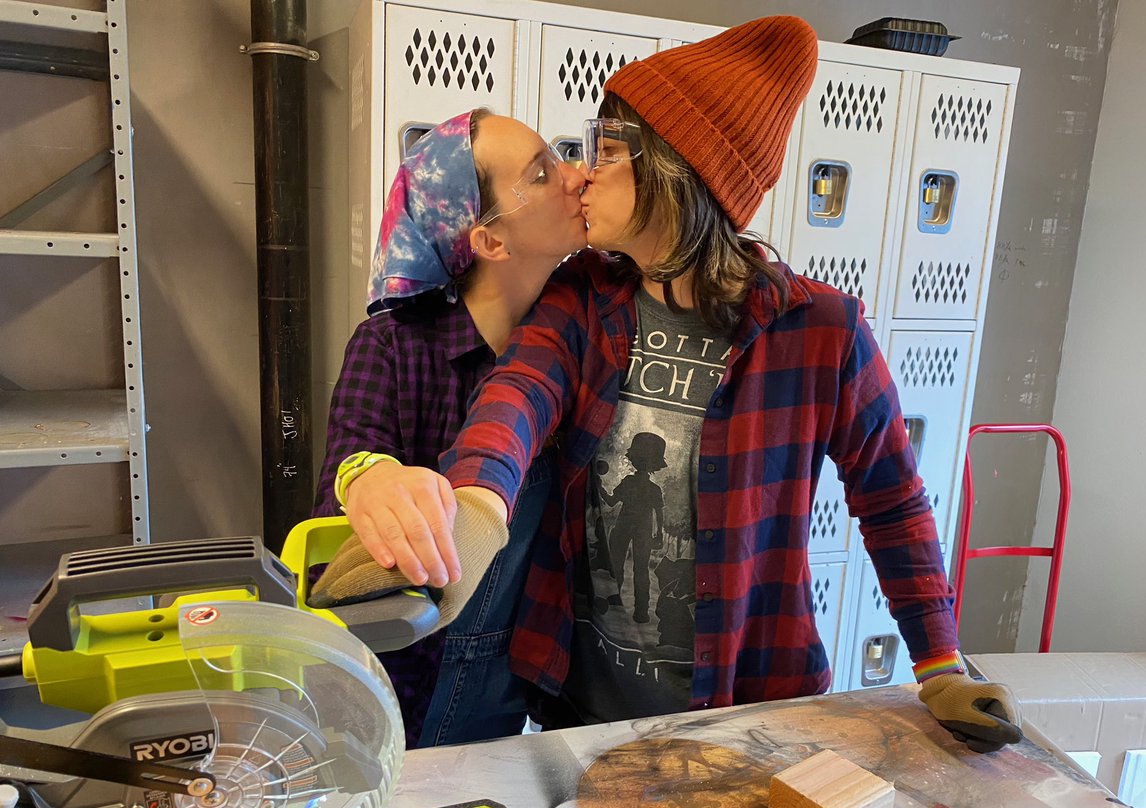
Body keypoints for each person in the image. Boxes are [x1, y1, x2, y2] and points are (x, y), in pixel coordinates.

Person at [315, 16, 1023, 755]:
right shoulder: (583, 297)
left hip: (753, 713)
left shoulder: (823, 330)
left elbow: (894, 500)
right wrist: (474, 513)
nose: (584, 173)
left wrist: (940, 665)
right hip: (584, 713)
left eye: (607, 150)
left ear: (674, 171)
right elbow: (515, 399)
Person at [310, 109, 587, 748]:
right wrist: (372, 482)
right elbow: (346, 475)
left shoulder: (584, 333)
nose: (576, 175)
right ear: (490, 240)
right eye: (541, 173)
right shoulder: (394, 345)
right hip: (409, 683)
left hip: (526, 676)